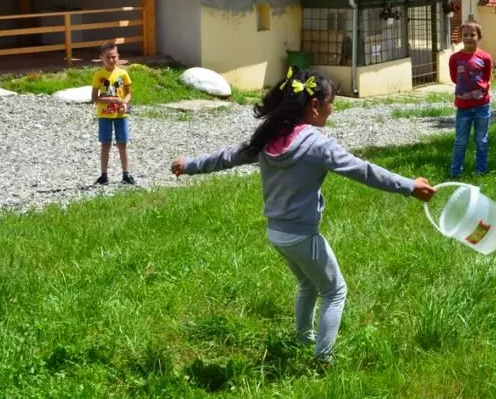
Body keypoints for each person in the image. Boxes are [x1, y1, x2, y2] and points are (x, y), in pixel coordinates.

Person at [170, 67, 436, 363]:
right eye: (331, 103)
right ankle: (324, 360)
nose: (332, 110)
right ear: (313, 106)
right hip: (301, 235)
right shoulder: (317, 144)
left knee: (309, 284)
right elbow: (364, 171)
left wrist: (190, 164)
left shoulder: (269, 137)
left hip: (277, 234)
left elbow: (226, 157)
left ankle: (303, 339)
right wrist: (409, 186)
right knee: (335, 292)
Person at [448, 20, 493, 177]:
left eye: (472, 34)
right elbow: (455, 78)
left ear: (479, 37)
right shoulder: (454, 59)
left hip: (482, 107)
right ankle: (455, 172)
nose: (468, 38)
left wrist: (481, 90)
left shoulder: (485, 58)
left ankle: (481, 171)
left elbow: (487, 78)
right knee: (460, 141)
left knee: (482, 141)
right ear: (461, 37)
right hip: (463, 108)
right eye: (465, 35)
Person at [91, 42, 135, 186]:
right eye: (107, 57)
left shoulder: (123, 74)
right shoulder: (98, 75)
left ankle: (126, 174)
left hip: (120, 115)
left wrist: (124, 103)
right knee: (105, 144)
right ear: (101, 58)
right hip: (104, 114)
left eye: (113, 57)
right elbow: (94, 97)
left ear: (118, 57)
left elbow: (128, 94)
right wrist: (108, 99)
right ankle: (104, 175)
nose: (111, 60)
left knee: (122, 144)